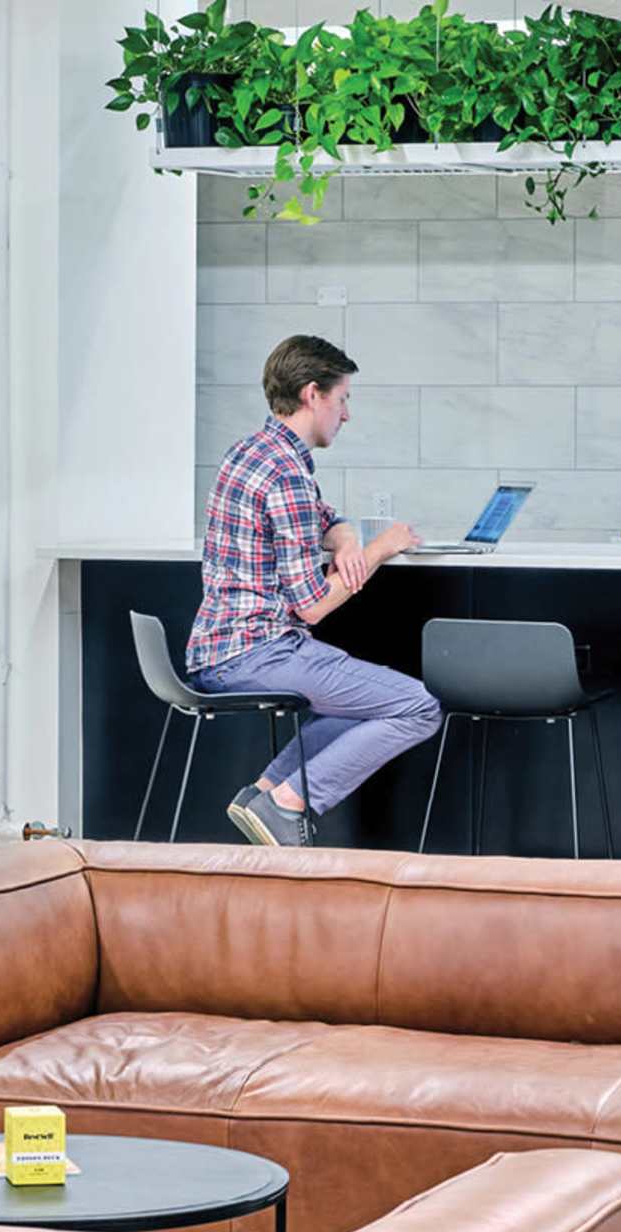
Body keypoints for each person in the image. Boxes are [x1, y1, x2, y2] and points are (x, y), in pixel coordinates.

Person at [183, 335, 437, 848]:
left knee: (362, 700)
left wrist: (346, 537)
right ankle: (288, 802)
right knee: (417, 706)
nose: (346, 416)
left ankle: (264, 793)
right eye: (342, 400)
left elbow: (326, 520)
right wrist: (383, 548)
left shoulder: (253, 452)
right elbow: (313, 605)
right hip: (260, 653)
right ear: (312, 394)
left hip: (217, 651)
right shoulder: (287, 474)